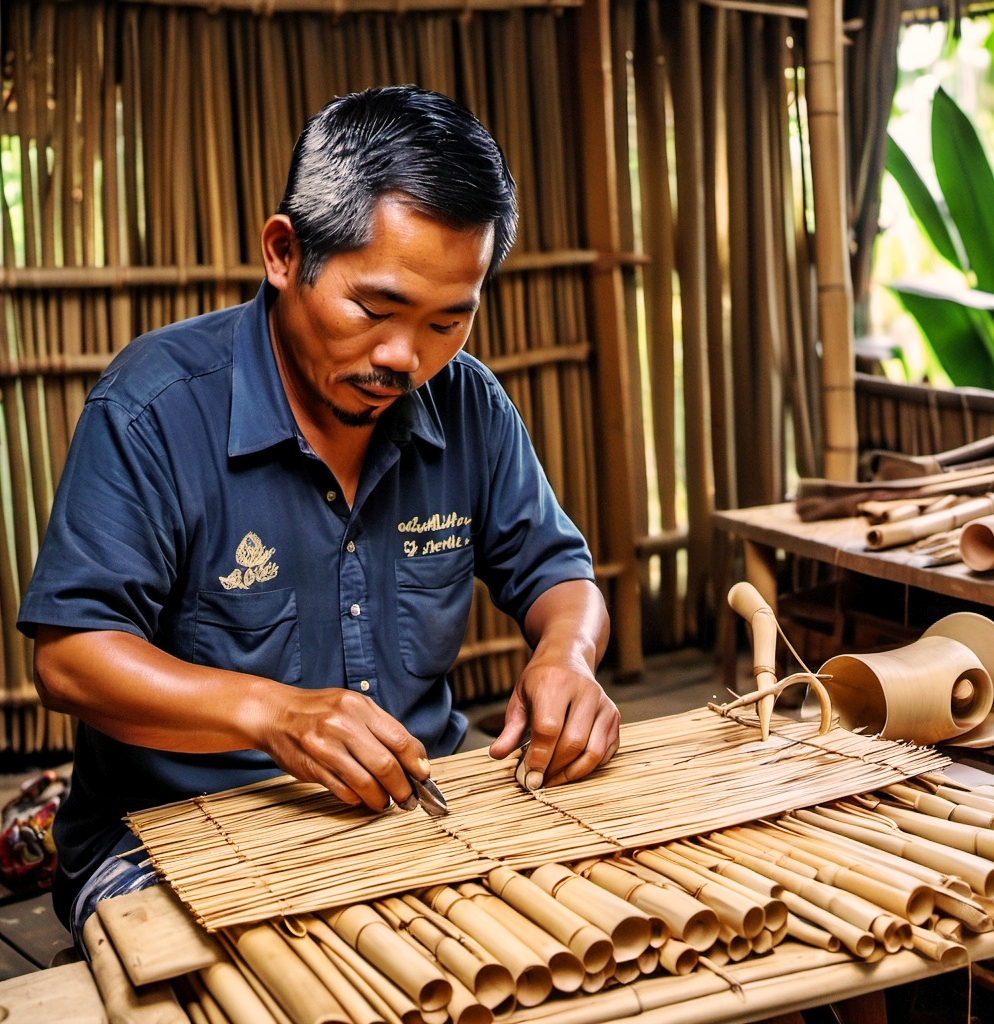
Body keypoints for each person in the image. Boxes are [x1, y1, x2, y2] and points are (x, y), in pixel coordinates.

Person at [17, 84, 619, 946]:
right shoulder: (155, 407)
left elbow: (561, 574)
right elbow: (72, 659)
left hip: (422, 807)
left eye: (451, 320)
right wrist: (271, 713)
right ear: (284, 251)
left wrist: (568, 656)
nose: (403, 356)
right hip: (176, 836)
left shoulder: (468, 404)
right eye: (374, 309)